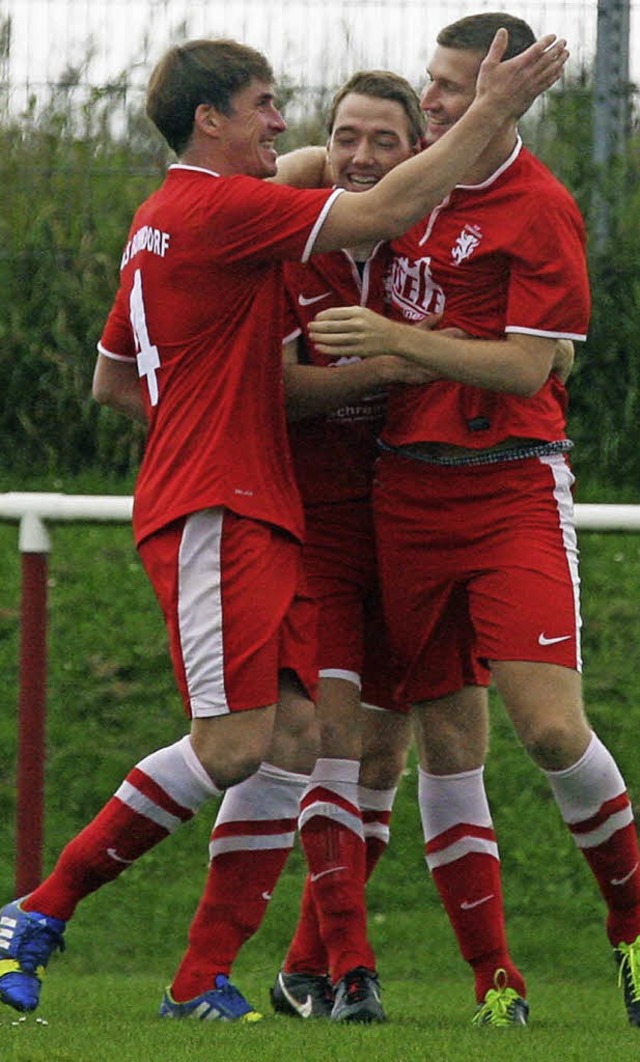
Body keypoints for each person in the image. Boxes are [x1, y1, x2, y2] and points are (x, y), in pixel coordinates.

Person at [0, 31, 569, 1024]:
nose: (283, 123)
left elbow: (111, 378)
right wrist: (492, 107)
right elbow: (389, 200)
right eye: (266, 104)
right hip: (222, 503)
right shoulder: (224, 209)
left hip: (281, 504)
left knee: (298, 737)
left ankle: (202, 979)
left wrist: (208, 409)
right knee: (231, 746)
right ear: (209, 119)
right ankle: (36, 915)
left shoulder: (169, 214)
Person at [171, 70, 576, 1027]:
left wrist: (542, 347)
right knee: (323, 744)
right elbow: (278, 387)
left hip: (418, 509)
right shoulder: (290, 225)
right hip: (318, 526)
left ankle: (315, 967)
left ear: (420, 163)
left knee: (412, 753)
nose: (359, 157)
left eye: (384, 141)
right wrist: (394, 357)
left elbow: (520, 327)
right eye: (342, 138)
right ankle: (336, 972)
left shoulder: (425, 235)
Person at [307, 11, 640, 1029]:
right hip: (402, 493)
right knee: (431, 734)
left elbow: (531, 365)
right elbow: (299, 172)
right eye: (435, 81)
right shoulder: (405, 183)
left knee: (546, 728)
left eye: (456, 85)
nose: (437, 100)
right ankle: (491, 982)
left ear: (512, 89)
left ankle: (630, 932)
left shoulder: (538, 207)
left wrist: (401, 344)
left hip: (508, 490)